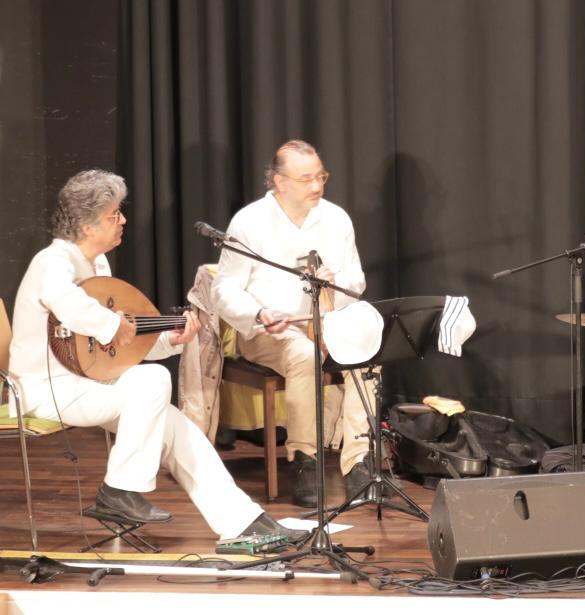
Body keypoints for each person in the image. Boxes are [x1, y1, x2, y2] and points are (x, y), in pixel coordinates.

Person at [8, 170, 289, 539]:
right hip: (45, 391)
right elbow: (73, 306)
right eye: (114, 214)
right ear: (87, 227)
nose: (123, 220)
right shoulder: (53, 262)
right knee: (153, 379)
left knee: (180, 431)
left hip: (90, 384)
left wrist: (169, 339)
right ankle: (119, 490)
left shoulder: (99, 266)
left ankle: (245, 522)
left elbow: (118, 345)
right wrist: (113, 324)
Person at [211, 140, 376, 508]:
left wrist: (335, 284)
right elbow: (224, 290)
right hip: (270, 330)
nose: (317, 186)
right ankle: (305, 460)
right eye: (306, 179)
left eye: (321, 176)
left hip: (326, 322)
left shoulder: (336, 218)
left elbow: (357, 281)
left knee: (368, 353)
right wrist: (258, 314)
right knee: (303, 353)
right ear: (279, 181)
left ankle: (358, 462)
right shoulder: (249, 222)